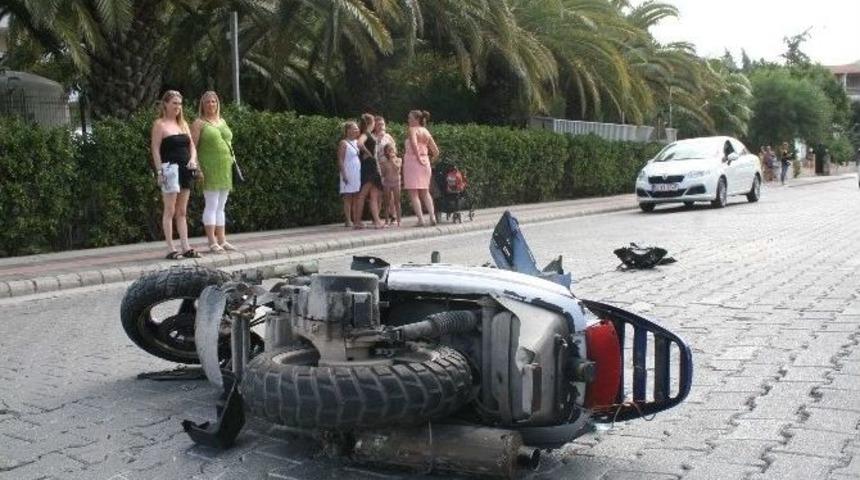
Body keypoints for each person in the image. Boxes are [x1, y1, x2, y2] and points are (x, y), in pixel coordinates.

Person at [150, 90, 201, 259]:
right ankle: (171, 248)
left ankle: (186, 246)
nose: (178, 107)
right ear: (165, 104)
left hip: (185, 168)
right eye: (174, 103)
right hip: (170, 169)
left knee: (182, 211)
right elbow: (156, 150)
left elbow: (192, 146)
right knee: (170, 210)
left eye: (179, 104)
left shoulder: (183, 124)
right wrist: (159, 171)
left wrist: (193, 160)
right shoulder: (160, 125)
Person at [191, 91, 236, 254]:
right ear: (202, 105)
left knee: (221, 205)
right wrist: (197, 168)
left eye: (214, 101)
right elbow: (192, 147)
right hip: (209, 168)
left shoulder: (222, 121)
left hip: (224, 168)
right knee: (211, 204)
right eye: (207, 102)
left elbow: (228, 141)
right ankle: (211, 241)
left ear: (218, 104)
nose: (211, 104)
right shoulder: (199, 123)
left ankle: (222, 240)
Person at [403, 109, 440, 227]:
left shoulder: (412, 130)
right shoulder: (426, 131)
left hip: (413, 161)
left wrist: (418, 158)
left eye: (410, 118)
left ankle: (421, 219)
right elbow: (436, 151)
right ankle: (432, 216)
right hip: (425, 162)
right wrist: (427, 160)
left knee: (413, 193)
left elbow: (413, 144)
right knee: (425, 191)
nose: (408, 120)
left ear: (416, 119)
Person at [353, 113, 384, 229]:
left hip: (370, 165)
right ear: (372, 123)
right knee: (364, 195)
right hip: (370, 166)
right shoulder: (366, 134)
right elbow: (359, 143)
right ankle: (358, 221)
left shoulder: (367, 134)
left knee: (373, 195)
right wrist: (368, 153)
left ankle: (376, 220)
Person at [337, 121, 362, 227]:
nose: (357, 130)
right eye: (354, 128)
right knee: (348, 196)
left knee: (356, 196)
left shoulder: (357, 142)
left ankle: (356, 219)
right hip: (348, 172)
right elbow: (340, 159)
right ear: (348, 130)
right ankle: (348, 220)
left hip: (357, 173)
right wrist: (344, 175)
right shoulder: (343, 143)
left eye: (357, 128)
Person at [379, 143, 403, 226]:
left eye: (392, 150)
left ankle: (399, 221)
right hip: (387, 182)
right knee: (387, 202)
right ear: (386, 152)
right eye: (389, 150)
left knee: (397, 201)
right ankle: (386, 221)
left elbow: (397, 169)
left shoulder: (399, 159)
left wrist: (393, 160)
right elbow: (383, 173)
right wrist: (383, 166)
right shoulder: (384, 162)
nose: (391, 152)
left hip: (396, 182)